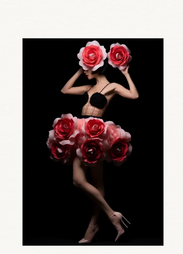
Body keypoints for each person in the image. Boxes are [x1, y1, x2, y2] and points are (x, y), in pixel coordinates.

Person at [47, 41, 139, 243]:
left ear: (97, 67)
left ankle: (93, 226)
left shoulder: (112, 86)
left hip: (97, 133)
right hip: (81, 131)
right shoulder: (88, 87)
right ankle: (112, 215)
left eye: (87, 68)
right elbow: (65, 90)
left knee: (96, 182)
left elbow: (134, 95)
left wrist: (125, 74)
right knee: (79, 181)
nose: (85, 71)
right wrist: (80, 72)